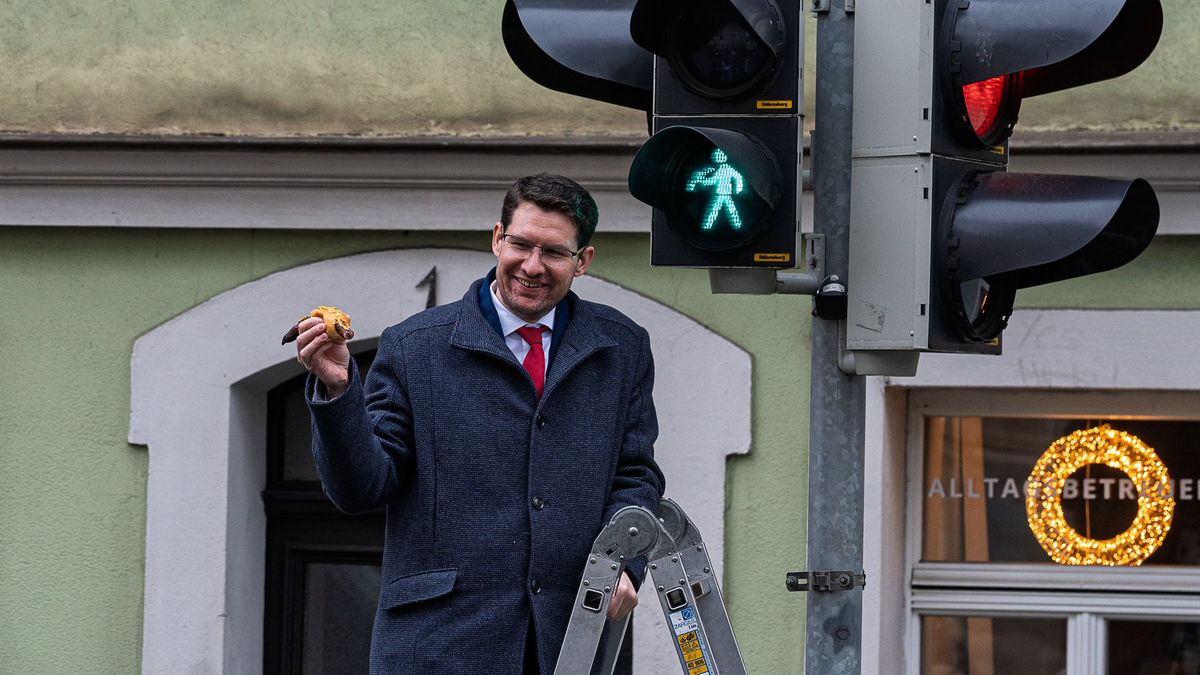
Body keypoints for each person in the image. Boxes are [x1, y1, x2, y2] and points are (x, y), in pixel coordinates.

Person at [293, 173, 666, 674]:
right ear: (497, 238)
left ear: (583, 262)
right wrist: (339, 393)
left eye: (554, 252)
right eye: (520, 244)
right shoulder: (414, 346)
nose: (532, 266)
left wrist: (625, 559)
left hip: (573, 638)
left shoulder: (622, 347)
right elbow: (362, 488)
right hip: (439, 645)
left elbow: (635, 473)